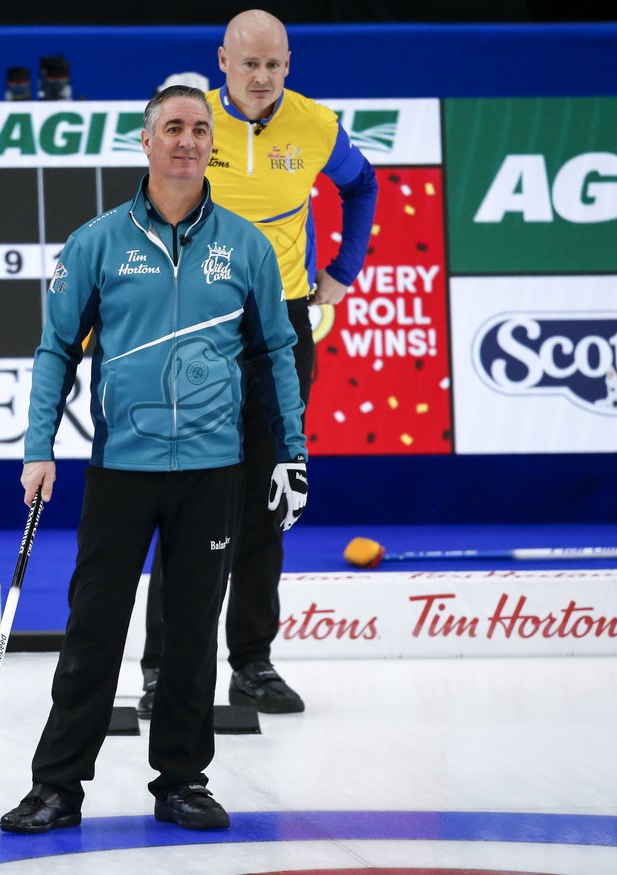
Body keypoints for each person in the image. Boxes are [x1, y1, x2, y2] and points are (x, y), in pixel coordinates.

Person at [1, 84, 308, 834]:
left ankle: (182, 781)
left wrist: (291, 452)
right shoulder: (98, 242)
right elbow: (55, 350)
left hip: (214, 469)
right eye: (173, 127)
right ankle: (57, 786)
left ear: (212, 145)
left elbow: (276, 352)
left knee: (193, 632)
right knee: (94, 628)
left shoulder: (246, 246)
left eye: (200, 129)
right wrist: (39, 448)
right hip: (122, 468)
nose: (187, 140)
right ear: (147, 141)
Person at [138, 9, 378, 718]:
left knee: (269, 498)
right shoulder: (193, 126)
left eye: (274, 64)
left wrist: (344, 271)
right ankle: (164, 668)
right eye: (250, 64)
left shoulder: (316, 126)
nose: (263, 77)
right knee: (185, 498)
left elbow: (362, 185)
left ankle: (252, 663)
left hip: (281, 329)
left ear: (288, 65)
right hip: (196, 330)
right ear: (223, 62)